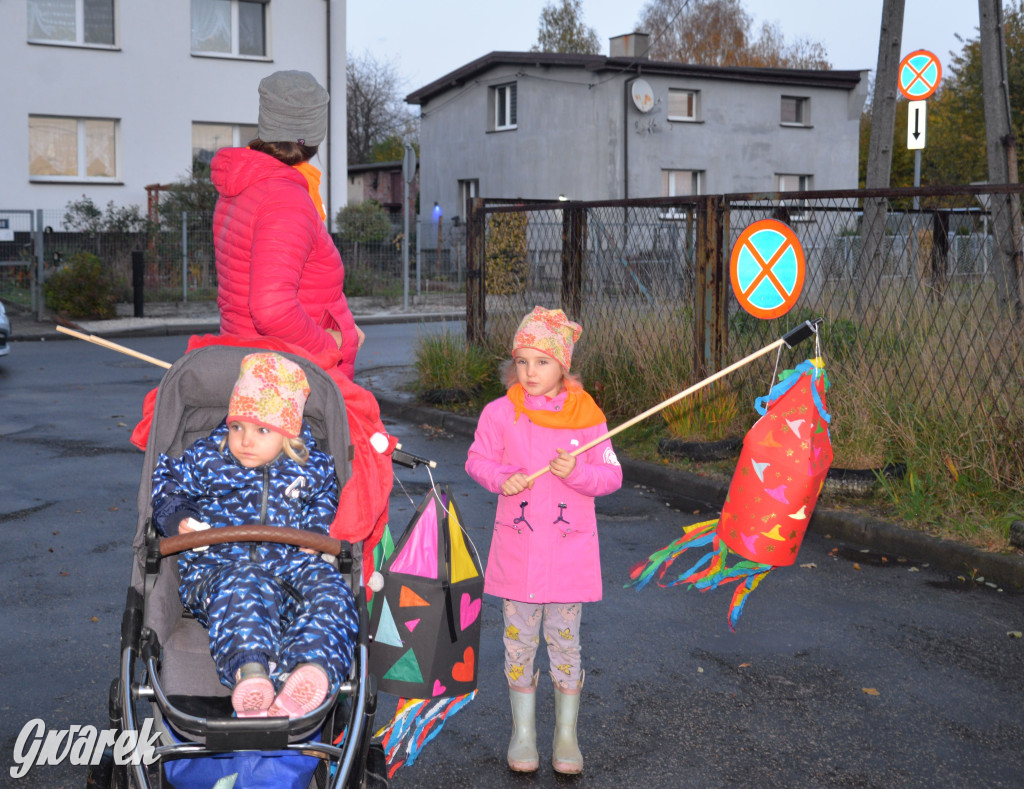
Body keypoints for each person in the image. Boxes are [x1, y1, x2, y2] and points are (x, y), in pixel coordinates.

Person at [151, 352, 358, 718]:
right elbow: (168, 482)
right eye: (237, 427)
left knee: (331, 588)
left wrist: (313, 533)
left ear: (289, 433)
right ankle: (252, 674)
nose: (245, 440)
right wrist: (180, 518)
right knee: (244, 583)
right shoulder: (208, 460)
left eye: (262, 430)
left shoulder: (309, 467)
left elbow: (326, 495)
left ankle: (309, 671)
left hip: (289, 568)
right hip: (221, 572)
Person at [465, 307, 623, 775]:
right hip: (518, 553)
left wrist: (578, 473)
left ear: (563, 366)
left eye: (542, 362)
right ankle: (524, 732)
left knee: (565, 643)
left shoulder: (588, 416)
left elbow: (611, 475)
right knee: (518, 642)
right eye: (523, 361)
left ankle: (567, 735)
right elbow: (477, 460)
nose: (530, 372)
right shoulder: (500, 414)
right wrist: (502, 478)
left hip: (568, 555)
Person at [211, 69, 364, 381]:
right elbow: (271, 309)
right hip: (292, 381)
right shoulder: (284, 199)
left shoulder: (246, 187)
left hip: (260, 365)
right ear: (315, 134)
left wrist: (345, 326)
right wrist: (331, 344)